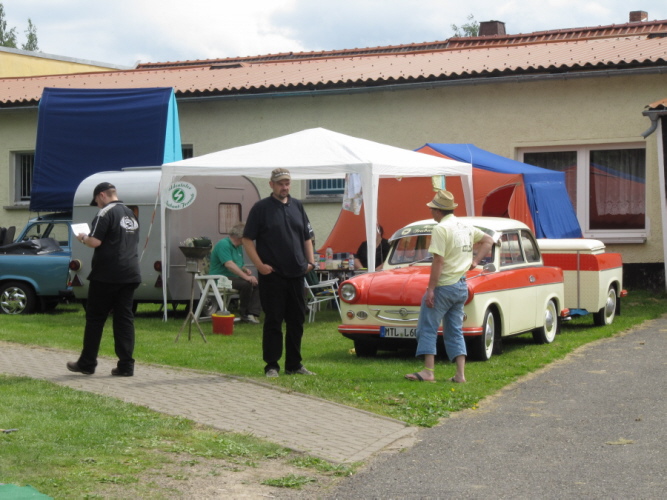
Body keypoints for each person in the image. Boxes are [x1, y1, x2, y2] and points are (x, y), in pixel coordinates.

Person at [405, 190, 494, 384]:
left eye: (432, 209)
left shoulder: (441, 229)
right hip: (461, 285)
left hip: (444, 285)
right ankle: (460, 375)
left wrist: (431, 289)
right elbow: (489, 240)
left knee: (427, 327)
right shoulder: (465, 226)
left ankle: (428, 371)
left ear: (438, 211)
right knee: (455, 330)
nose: (431, 211)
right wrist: (475, 261)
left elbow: (438, 260)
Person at [242, 168, 317, 378]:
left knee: (296, 321)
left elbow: (307, 236)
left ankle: (294, 364)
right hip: (272, 276)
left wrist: (310, 262)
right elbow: (247, 239)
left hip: (296, 274)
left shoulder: (298, 206)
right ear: (271, 185)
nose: (284, 187)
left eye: (287, 183)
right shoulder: (261, 208)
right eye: (280, 184)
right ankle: (271, 366)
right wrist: (260, 265)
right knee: (273, 321)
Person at [67, 182, 141, 377]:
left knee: (95, 318)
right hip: (130, 272)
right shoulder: (131, 214)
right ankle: (126, 365)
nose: (97, 205)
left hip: (107, 274)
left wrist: (83, 237)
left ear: (102, 195)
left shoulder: (105, 212)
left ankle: (87, 363)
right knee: (124, 319)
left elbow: (95, 241)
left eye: (97, 201)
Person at [209, 222, 262, 324]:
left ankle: (252, 313)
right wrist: (246, 277)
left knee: (259, 283)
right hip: (220, 279)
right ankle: (244, 313)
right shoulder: (223, 244)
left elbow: (238, 264)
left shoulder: (239, 247)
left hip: (232, 278)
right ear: (241, 236)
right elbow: (229, 264)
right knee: (247, 284)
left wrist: (245, 269)